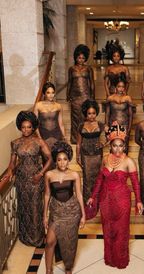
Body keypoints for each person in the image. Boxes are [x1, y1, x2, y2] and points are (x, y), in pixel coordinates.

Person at [87, 122, 144, 269]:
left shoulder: (129, 161)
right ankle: (110, 258)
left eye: (121, 145)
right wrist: (93, 196)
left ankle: (120, 260)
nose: (118, 148)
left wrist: (138, 201)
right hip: (105, 200)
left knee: (121, 230)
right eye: (115, 145)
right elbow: (100, 180)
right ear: (110, 146)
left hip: (122, 200)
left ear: (124, 146)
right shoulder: (105, 159)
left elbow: (136, 184)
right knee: (108, 229)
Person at [1, 111, 52, 246]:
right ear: (19, 127)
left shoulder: (39, 142)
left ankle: (37, 238)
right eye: (23, 127)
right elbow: (12, 162)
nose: (26, 130)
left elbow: (50, 159)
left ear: (33, 127)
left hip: (36, 180)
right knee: (24, 208)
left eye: (29, 127)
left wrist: (40, 174)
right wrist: (10, 172)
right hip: (22, 180)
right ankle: (26, 237)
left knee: (35, 208)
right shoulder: (15, 143)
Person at [44, 141, 85, 274]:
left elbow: (78, 194)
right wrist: (45, 215)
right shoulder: (49, 175)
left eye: (65, 159)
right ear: (55, 161)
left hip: (72, 212)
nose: (62, 162)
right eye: (59, 160)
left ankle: (68, 268)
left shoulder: (74, 175)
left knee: (70, 242)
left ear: (69, 161)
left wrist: (83, 215)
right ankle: (48, 270)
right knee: (50, 241)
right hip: (56, 212)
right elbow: (47, 194)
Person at [76, 99, 106, 203]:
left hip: (97, 156)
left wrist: (103, 143)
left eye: (93, 113)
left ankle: (98, 203)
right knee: (87, 180)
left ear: (96, 112)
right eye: (89, 113)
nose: (92, 116)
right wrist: (77, 157)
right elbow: (79, 143)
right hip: (85, 156)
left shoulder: (101, 125)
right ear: (85, 113)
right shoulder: (81, 126)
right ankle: (87, 204)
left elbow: (111, 136)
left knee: (98, 178)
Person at [67, 44, 95, 144]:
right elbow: (69, 82)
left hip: (86, 96)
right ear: (76, 57)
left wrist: (92, 98)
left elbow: (92, 83)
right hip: (75, 97)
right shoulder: (71, 69)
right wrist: (68, 96)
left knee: (85, 118)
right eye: (79, 57)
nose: (81, 60)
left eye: (83, 58)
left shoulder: (88, 69)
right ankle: (75, 139)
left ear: (86, 58)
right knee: (75, 119)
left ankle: (86, 138)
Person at [105, 75, 133, 154]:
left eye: (123, 87)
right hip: (113, 125)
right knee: (113, 146)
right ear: (115, 87)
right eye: (119, 86)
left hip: (125, 125)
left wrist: (129, 128)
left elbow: (131, 115)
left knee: (124, 147)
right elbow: (107, 114)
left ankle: (124, 166)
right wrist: (106, 125)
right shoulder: (110, 98)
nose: (121, 89)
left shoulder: (128, 98)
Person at [34, 81, 65, 148]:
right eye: (48, 92)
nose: (51, 95)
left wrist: (64, 136)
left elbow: (61, 124)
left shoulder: (58, 106)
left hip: (56, 134)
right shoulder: (38, 105)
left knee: (56, 155)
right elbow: (35, 124)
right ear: (44, 93)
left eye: (53, 92)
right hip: (44, 134)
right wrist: (39, 138)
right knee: (46, 156)